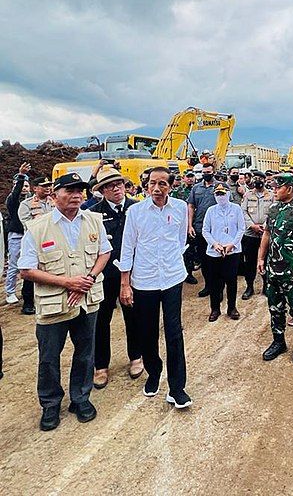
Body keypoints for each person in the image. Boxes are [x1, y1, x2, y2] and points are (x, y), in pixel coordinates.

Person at [18, 172, 112, 431]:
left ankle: (80, 398)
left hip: (86, 300)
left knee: (85, 352)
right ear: (53, 195)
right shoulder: (38, 227)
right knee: (49, 357)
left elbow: (104, 252)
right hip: (53, 304)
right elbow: (26, 269)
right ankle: (50, 404)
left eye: (80, 190)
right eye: (69, 190)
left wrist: (89, 279)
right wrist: (68, 283)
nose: (76, 195)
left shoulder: (93, 220)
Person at [118, 167, 192, 409]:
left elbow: (181, 241)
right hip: (145, 280)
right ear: (146, 186)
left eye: (163, 184)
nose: (157, 188)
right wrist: (125, 283)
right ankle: (154, 372)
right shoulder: (135, 212)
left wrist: (170, 263)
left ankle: (177, 388)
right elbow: (127, 247)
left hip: (172, 278)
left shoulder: (180, 208)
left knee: (174, 332)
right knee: (147, 332)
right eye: (152, 183)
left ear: (171, 186)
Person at [88, 166, 142, 389]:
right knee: (102, 320)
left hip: (134, 272)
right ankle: (101, 366)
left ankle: (136, 357)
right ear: (102, 190)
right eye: (110, 185)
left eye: (119, 184)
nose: (116, 188)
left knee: (134, 316)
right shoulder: (93, 213)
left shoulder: (137, 208)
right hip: (107, 273)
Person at [257, 173, 293, 363]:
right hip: (273, 269)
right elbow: (266, 234)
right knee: (275, 307)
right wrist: (261, 258)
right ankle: (279, 341)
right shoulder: (273, 209)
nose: (274, 190)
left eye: (278, 187)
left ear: (289, 189)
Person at [202, 183, 245, 321]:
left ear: (228, 194)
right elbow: (205, 230)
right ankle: (215, 309)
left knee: (231, 281)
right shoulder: (211, 210)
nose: (220, 197)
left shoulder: (236, 209)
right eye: (217, 194)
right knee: (214, 282)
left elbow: (241, 229)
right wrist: (215, 244)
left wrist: (232, 244)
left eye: (222, 194)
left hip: (232, 251)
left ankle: (232, 307)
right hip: (215, 251)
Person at [17, 176, 55, 314]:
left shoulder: (55, 202)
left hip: (53, 242)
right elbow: (27, 223)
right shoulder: (26, 204)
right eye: (44, 186)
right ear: (35, 188)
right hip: (35, 242)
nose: (47, 188)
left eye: (49, 185)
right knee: (31, 272)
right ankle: (28, 303)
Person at [240, 170, 273, 299]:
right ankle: (249, 287)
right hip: (250, 234)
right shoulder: (247, 195)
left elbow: (273, 211)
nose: (258, 181)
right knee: (249, 261)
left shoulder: (271, 195)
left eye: (260, 178)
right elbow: (243, 212)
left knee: (266, 259)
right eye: (256, 178)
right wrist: (252, 226)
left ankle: (266, 285)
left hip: (266, 233)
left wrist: (265, 226)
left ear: (265, 180)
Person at [187, 162, 217, 297]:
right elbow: (191, 206)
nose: (206, 175)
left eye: (208, 172)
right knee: (204, 259)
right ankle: (209, 286)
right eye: (204, 172)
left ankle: (218, 287)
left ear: (213, 172)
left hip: (216, 230)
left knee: (217, 260)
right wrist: (190, 225)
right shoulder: (196, 188)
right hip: (199, 228)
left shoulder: (221, 187)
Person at [5, 163, 32, 304]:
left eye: (26, 186)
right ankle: (10, 292)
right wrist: (21, 175)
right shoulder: (12, 200)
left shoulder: (32, 201)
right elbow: (16, 193)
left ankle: (27, 291)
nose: (24, 188)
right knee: (14, 265)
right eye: (21, 185)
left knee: (31, 263)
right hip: (16, 235)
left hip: (30, 235)